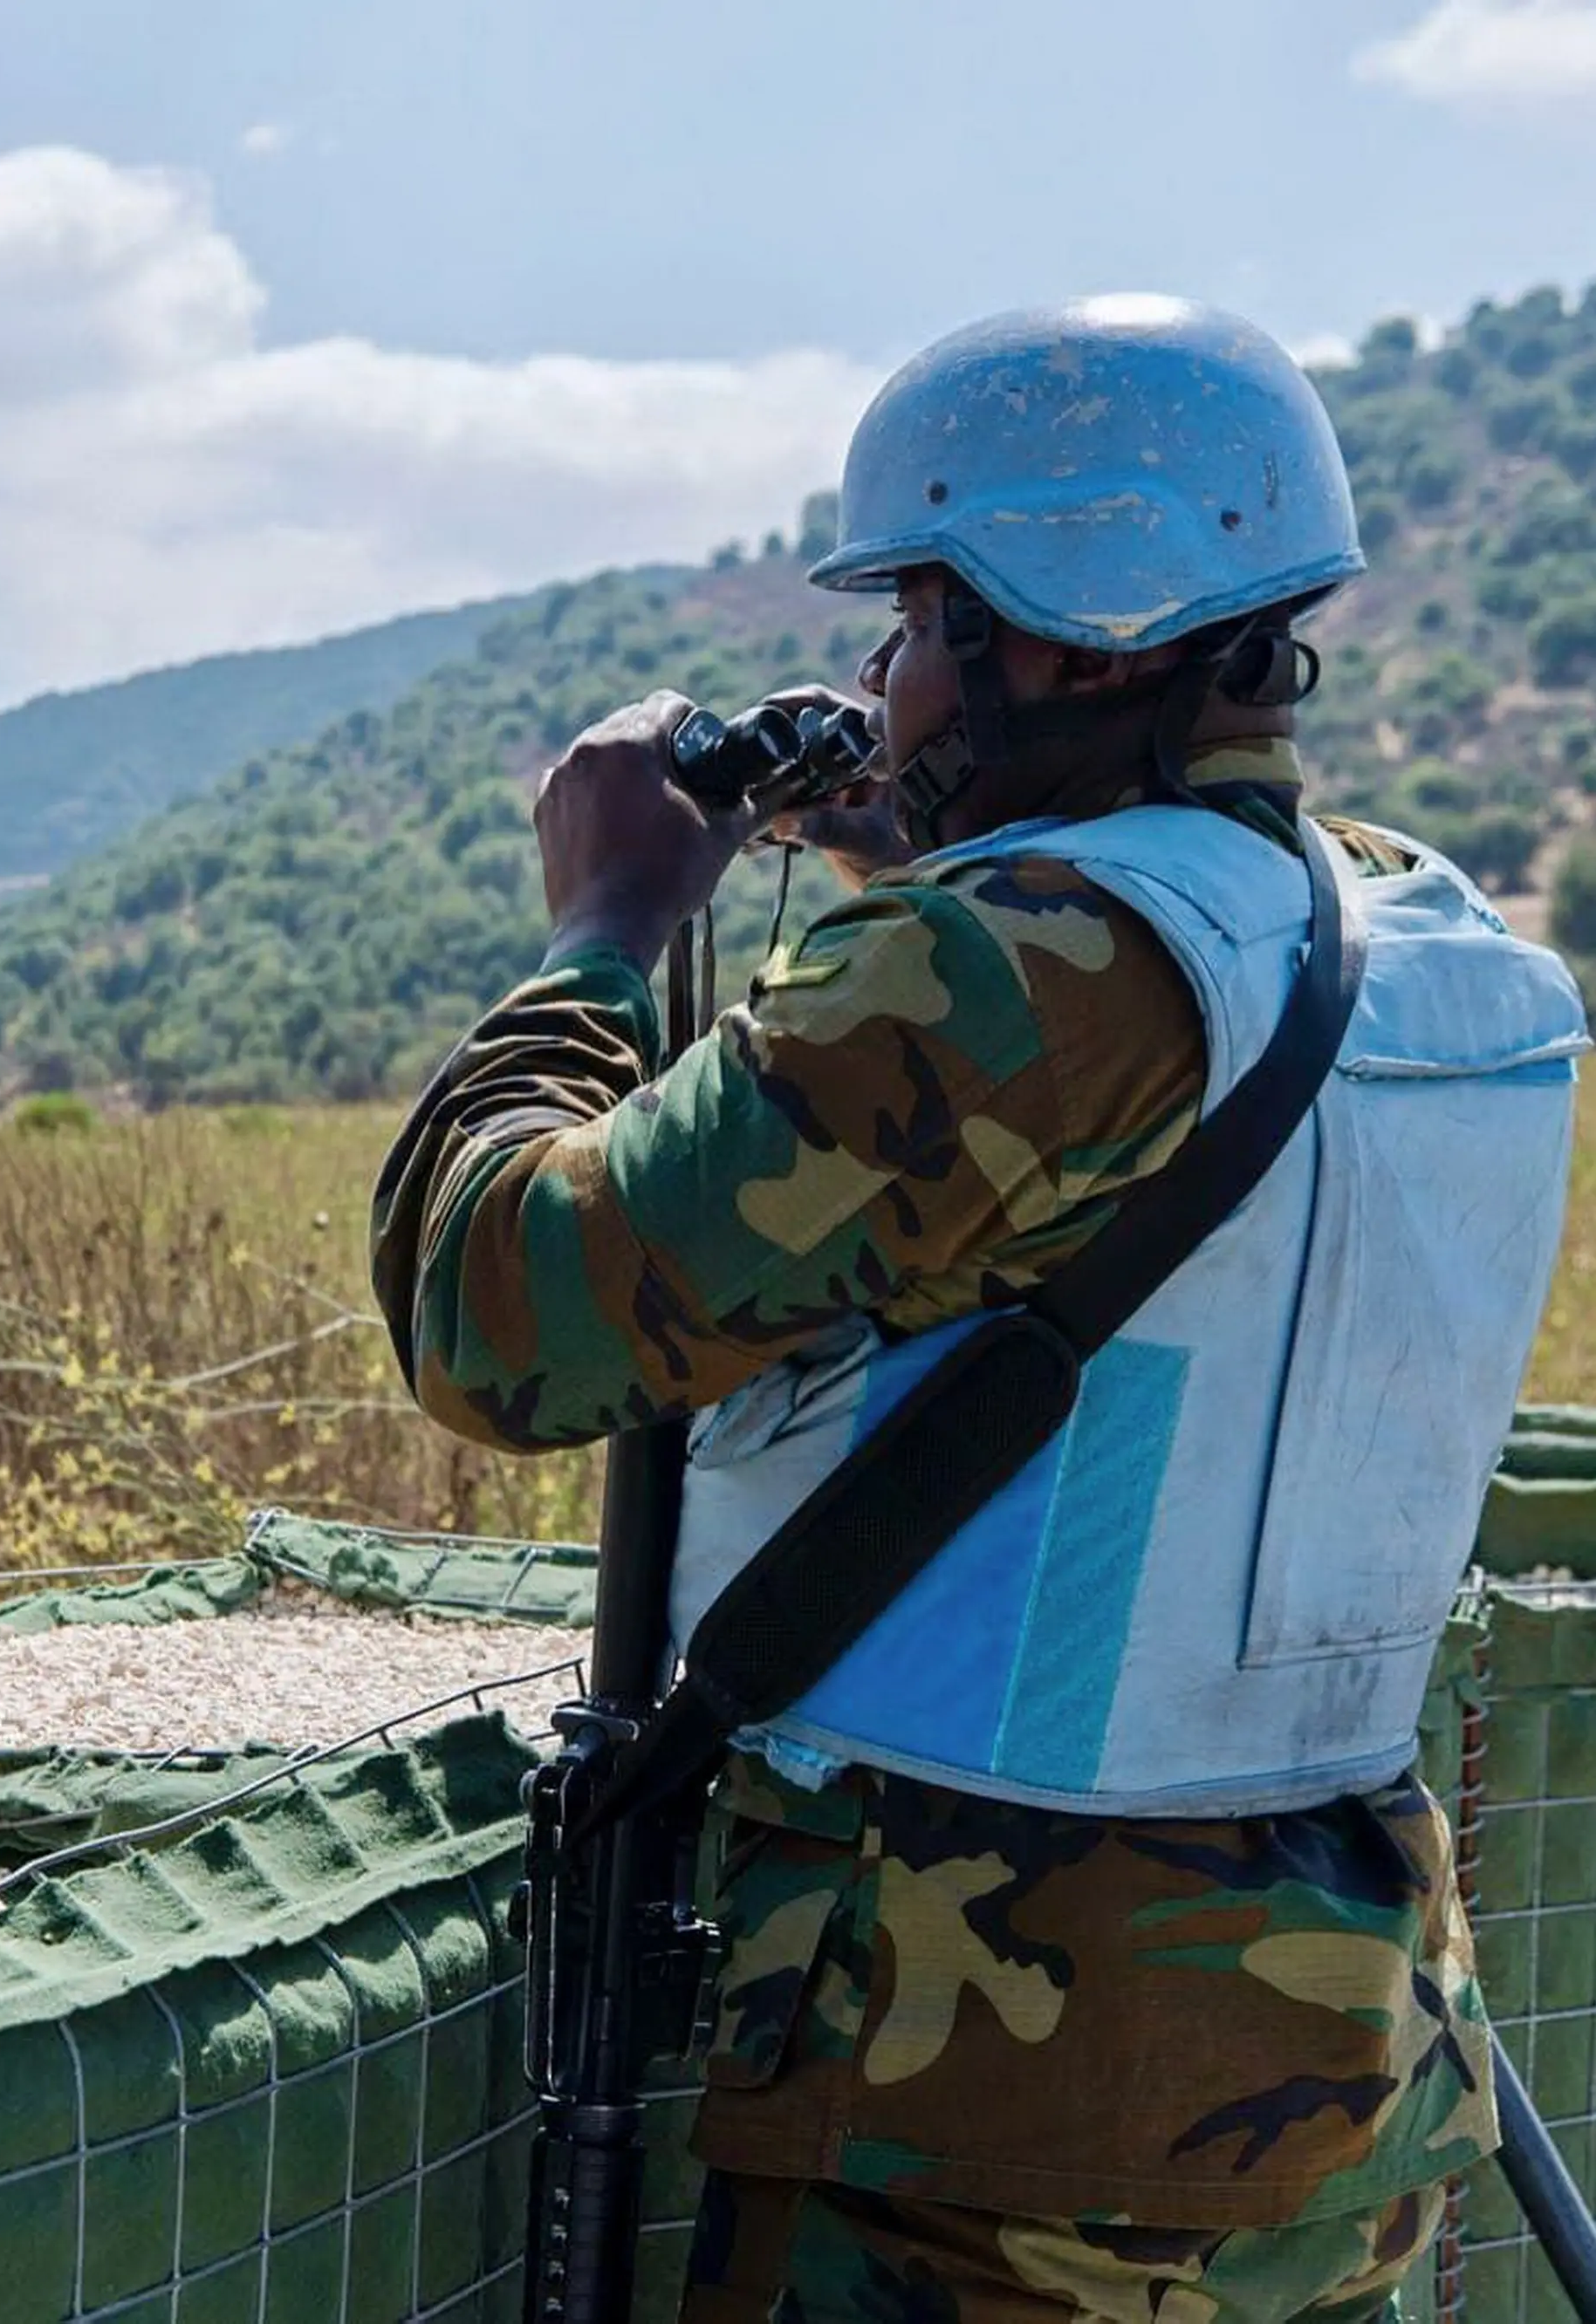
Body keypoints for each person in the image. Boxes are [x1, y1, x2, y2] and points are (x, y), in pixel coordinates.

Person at [370, 295, 1589, 2322]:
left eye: (920, 620)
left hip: (985, 2119)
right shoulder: (1435, 944)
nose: (883, 675)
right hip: (1338, 2078)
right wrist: (943, 846)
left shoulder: (1020, 974)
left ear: (1052, 634)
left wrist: (605, 926)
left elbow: (497, 1307)